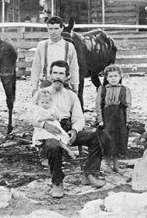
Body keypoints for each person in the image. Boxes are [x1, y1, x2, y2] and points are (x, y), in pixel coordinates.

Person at [31, 60, 105, 198]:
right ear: (50, 75)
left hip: (66, 129)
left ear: (67, 77)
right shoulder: (41, 94)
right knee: (53, 146)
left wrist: (75, 130)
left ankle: (89, 173)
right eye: (55, 73)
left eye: (61, 73)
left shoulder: (71, 95)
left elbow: (78, 117)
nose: (58, 76)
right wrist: (44, 125)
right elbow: (29, 116)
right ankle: (57, 183)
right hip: (47, 131)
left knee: (97, 137)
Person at [95, 64, 131, 173]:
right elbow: (98, 105)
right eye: (110, 76)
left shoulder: (125, 89)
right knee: (107, 141)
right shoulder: (102, 89)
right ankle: (107, 164)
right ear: (106, 78)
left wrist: (127, 120)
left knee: (118, 141)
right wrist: (100, 120)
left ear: (120, 76)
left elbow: (128, 106)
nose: (113, 78)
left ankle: (116, 165)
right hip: (107, 119)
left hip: (119, 119)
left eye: (115, 76)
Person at [31, 16, 79, 96]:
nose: (53, 32)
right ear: (47, 29)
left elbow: (74, 68)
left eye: (56, 28)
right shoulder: (42, 46)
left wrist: (75, 88)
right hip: (46, 83)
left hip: (64, 84)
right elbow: (36, 67)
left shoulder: (69, 46)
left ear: (62, 29)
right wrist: (34, 87)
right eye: (51, 29)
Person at [29, 88, 75, 159]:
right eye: (42, 103)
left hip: (55, 126)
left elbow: (58, 115)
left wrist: (56, 116)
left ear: (50, 102)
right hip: (43, 129)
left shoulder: (52, 107)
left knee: (60, 138)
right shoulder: (37, 109)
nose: (45, 105)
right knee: (52, 138)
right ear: (38, 102)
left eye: (47, 103)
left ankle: (65, 150)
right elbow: (37, 119)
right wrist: (47, 118)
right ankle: (66, 151)